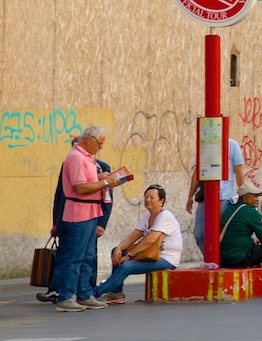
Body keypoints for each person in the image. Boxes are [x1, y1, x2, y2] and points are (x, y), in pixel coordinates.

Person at [51, 126, 120, 312]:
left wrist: (101, 178)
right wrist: (104, 182)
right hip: (78, 213)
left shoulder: (88, 158)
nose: (100, 147)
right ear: (90, 139)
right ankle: (66, 296)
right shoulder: (75, 157)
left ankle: (84, 294)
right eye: (100, 143)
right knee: (74, 256)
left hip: (91, 212)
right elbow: (80, 187)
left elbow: (88, 180)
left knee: (88, 257)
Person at [37, 157, 114, 304]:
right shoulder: (70, 162)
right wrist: (56, 222)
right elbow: (60, 194)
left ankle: (86, 292)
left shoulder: (102, 166)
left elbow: (107, 198)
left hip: (91, 217)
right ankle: (57, 290)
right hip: (69, 217)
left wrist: (101, 224)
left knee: (88, 257)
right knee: (65, 256)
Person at [95, 184, 182, 303]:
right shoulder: (147, 217)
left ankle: (95, 293)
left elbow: (150, 240)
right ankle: (116, 293)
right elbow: (131, 238)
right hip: (151, 255)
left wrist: (129, 256)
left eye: (152, 197)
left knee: (127, 266)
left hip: (166, 259)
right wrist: (119, 248)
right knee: (116, 252)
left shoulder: (165, 216)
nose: (148, 200)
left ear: (161, 201)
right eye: (146, 197)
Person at [219, 184, 262, 296]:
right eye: (255, 196)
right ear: (245, 198)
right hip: (239, 257)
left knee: (255, 246)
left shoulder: (229, 210)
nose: (257, 199)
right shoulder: (250, 212)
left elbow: (236, 233)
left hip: (223, 258)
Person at [187, 138, 246, 252]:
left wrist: (243, 195)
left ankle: (220, 258)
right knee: (199, 233)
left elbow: (239, 173)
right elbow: (197, 173)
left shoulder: (232, 145)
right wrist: (190, 197)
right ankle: (209, 258)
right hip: (206, 196)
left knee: (219, 233)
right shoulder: (204, 145)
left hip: (225, 197)